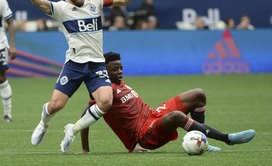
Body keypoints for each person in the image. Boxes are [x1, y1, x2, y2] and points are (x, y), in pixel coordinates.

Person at [9, 0, 139, 153]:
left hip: (96, 64)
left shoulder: (95, 1)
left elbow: (122, 0)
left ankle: (73, 129)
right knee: (55, 106)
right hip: (75, 64)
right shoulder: (61, 9)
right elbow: (37, 1)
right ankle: (43, 124)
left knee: (106, 102)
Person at [80, 52, 255, 153]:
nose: (120, 72)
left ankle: (202, 142)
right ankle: (227, 139)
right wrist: (86, 149)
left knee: (198, 94)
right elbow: (85, 115)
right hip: (144, 136)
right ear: (105, 71)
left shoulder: (120, 83)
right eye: (115, 69)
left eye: (121, 68)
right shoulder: (104, 91)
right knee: (177, 117)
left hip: (153, 116)